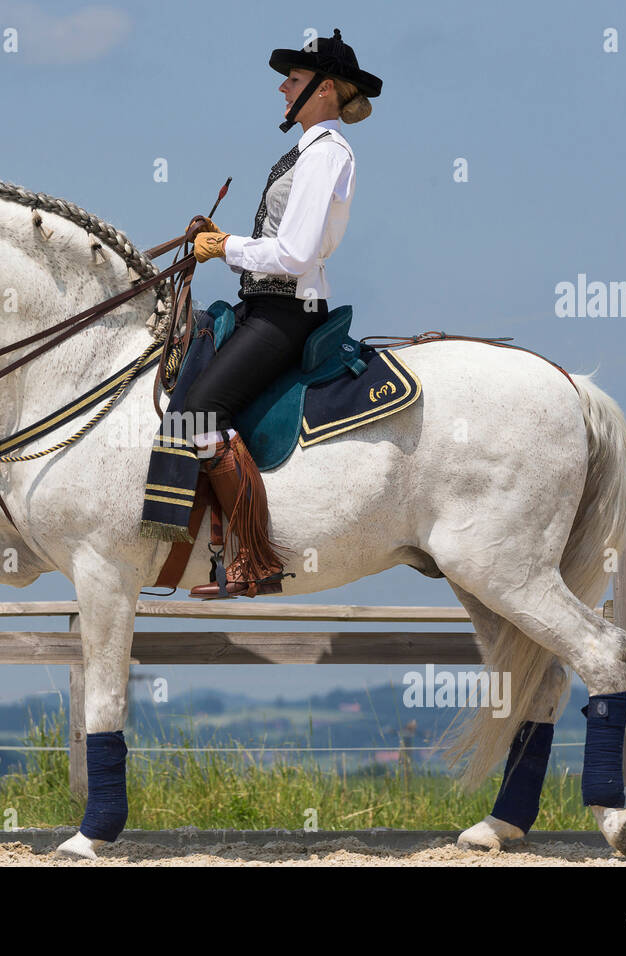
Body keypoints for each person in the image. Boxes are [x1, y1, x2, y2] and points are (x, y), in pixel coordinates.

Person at [184, 29, 382, 599]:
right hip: (263, 302)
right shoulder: (305, 151)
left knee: (200, 410)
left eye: (292, 80)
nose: (282, 87)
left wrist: (226, 248)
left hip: (287, 312)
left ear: (323, 92)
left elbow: (295, 254)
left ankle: (255, 556)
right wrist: (226, 241)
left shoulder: (326, 154)